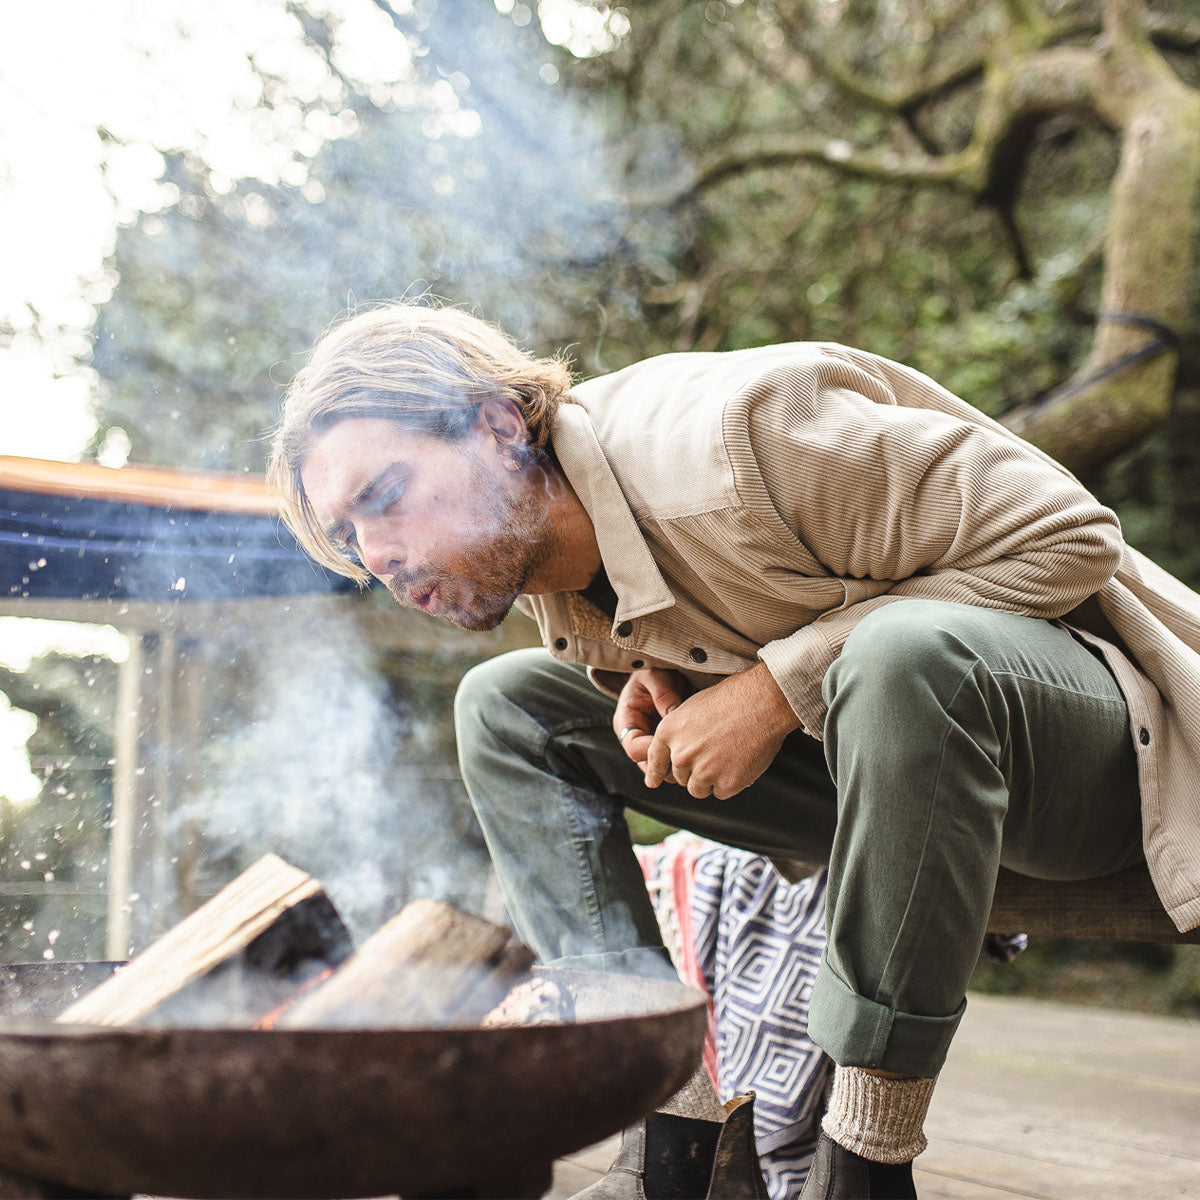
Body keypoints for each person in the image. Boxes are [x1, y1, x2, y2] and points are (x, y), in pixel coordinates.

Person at [268, 302, 1200, 1200]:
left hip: (1120, 771)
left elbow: (1069, 536)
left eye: (384, 495)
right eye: (348, 533)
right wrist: (667, 671)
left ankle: (866, 1163)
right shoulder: (547, 565)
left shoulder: (744, 438)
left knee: (901, 654)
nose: (377, 553)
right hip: (890, 791)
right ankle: (672, 1132)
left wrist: (772, 690)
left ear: (501, 425)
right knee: (510, 708)